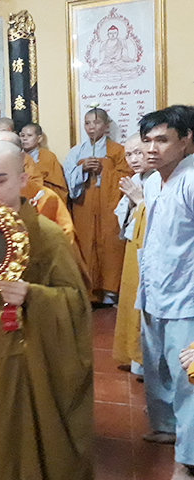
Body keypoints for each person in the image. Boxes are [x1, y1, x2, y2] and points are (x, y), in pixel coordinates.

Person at [0, 140, 93, 480]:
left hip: (33, 358)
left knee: (38, 438)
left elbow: (76, 302)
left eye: (0, 180)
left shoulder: (47, 235)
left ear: (22, 179)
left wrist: (32, 295)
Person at [136, 108, 194, 475]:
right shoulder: (152, 181)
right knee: (158, 369)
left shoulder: (191, 181)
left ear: (186, 139)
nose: (151, 149)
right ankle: (168, 428)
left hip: (187, 298)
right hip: (154, 290)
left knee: (189, 381)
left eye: (162, 140)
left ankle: (187, 461)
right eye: (147, 141)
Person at [63, 107, 130, 303]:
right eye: (87, 123)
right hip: (83, 204)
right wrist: (81, 169)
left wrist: (104, 170)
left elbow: (127, 177)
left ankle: (110, 292)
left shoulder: (118, 150)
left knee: (111, 245)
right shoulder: (76, 152)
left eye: (96, 122)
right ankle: (88, 291)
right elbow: (67, 177)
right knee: (84, 244)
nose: (91, 127)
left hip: (109, 206)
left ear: (106, 125)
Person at [112, 135, 152, 378]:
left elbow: (159, 215)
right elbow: (122, 212)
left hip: (149, 248)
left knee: (143, 302)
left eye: (138, 152)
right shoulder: (136, 179)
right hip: (133, 243)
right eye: (129, 154)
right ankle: (134, 357)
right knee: (130, 299)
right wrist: (130, 203)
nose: (134, 159)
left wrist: (139, 200)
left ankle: (145, 361)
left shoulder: (159, 178)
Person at [20, 123, 69, 201]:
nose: (25, 138)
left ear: (39, 138)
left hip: (44, 198)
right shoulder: (16, 156)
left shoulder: (48, 157)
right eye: (22, 136)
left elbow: (59, 186)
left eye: (29, 135)